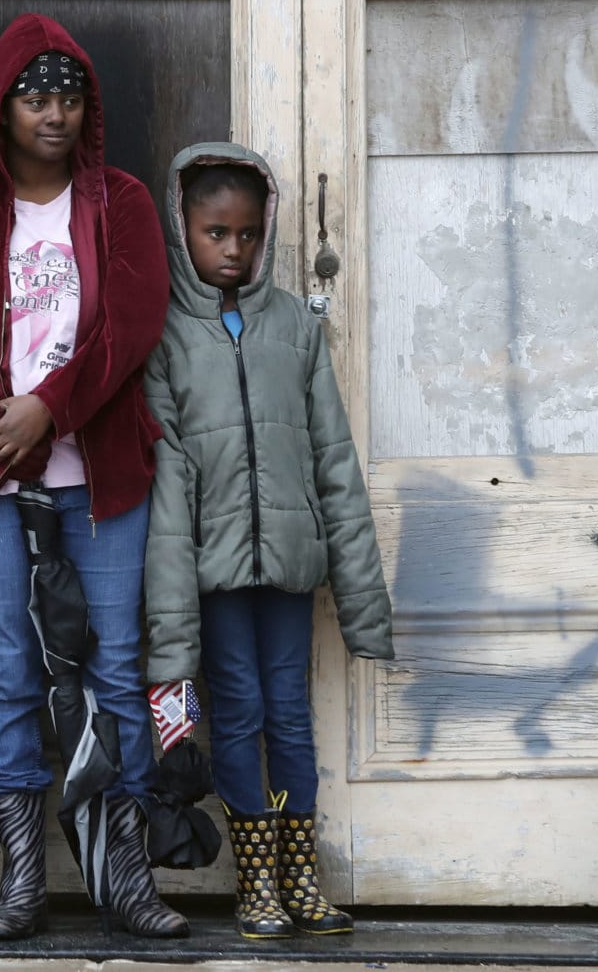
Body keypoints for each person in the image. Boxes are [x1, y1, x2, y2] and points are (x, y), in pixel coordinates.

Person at [0, 12, 183, 940]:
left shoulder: (119, 203)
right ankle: (20, 879)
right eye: (33, 97)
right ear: (2, 107)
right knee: (6, 666)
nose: (54, 114)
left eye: (69, 96)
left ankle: (124, 879)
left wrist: (49, 408)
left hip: (100, 474)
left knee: (114, 663)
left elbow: (131, 327)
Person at [141, 142, 393, 940]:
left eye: (248, 234)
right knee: (239, 710)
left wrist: (364, 604)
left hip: (289, 566)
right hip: (213, 576)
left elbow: (334, 461)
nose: (233, 249)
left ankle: (299, 875)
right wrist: (171, 637)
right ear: (182, 226)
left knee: (287, 712)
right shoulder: (164, 335)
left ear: (268, 231)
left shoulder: (294, 327)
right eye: (215, 232)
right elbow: (168, 497)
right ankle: (255, 884)